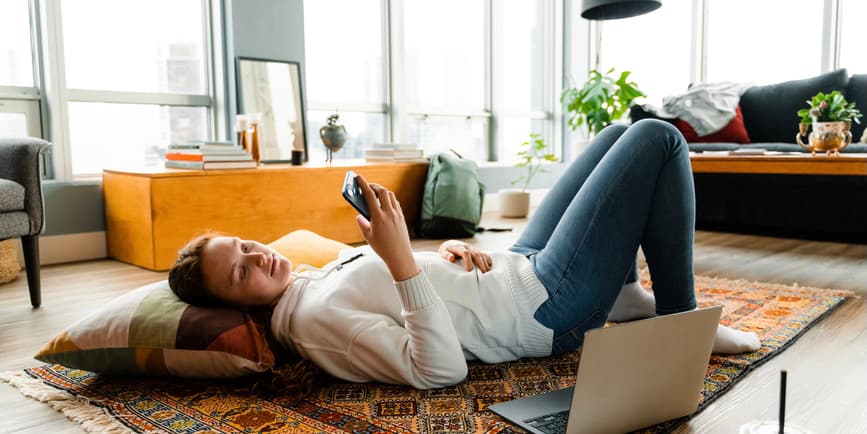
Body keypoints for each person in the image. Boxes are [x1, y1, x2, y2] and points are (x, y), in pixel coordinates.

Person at [168, 119, 760, 394]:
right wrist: (402, 264)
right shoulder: (314, 324)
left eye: (245, 246)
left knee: (612, 134)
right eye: (239, 272)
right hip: (543, 309)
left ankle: (625, 297)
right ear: (238, 307)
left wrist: (441, 253)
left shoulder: (311, 275)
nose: (256, 258)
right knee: (657, 139)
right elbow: (439, 370)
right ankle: (683, 326)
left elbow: (415, 292)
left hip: (516, 265)